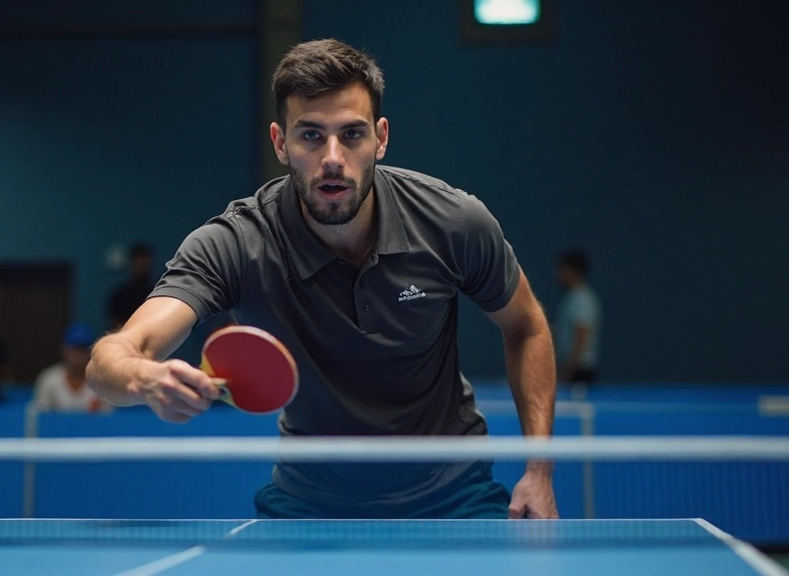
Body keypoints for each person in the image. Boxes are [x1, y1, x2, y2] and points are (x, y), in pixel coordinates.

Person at [87, 39, 558, 520]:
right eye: (310, 136)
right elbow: (112, 357)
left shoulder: (452, 221)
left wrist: (539, 471)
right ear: (279, 142)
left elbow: (527, 326)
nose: (333, 157)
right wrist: (146, 379)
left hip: (454, 497)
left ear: (381, 137)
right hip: (311, 505)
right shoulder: (236, 243)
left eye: (352, 135)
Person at [32, 322, 111, 413]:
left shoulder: (103, 381)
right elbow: (42, 417)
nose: (78, 355)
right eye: (75, 349)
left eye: (83, 350)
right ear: (64, 350)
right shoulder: (49, 379)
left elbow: (107, 420)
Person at [554, 250, 602, 383]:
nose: (558, 274)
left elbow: (581, 336)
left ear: (573, 270)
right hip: (573, 369)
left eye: (562, 269)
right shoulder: (572, 298)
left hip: (579, 371)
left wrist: (568, 370)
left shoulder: (582, 299)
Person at [106, 243, 156, 330]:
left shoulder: (157, 293)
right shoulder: (120, 295)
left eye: (145, 263)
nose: (142, 267)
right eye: (139, 263)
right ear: (132, 263)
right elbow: (114, 323)